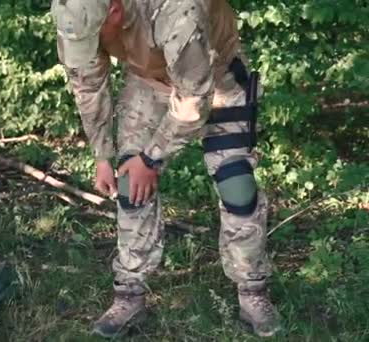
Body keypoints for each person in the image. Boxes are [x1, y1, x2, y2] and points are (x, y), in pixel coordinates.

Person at [50, 0, 281, 338]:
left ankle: (253, 292)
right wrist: (102, 155)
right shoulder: (77, 15)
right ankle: (128, 295)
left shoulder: (176, 11)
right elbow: (88, 85)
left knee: (237, 186)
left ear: (114, 10)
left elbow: (194, 100)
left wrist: (151, 159)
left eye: (95, 35)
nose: (90, 44)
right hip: (149, 82)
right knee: (130, 185)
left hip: (217, 77)